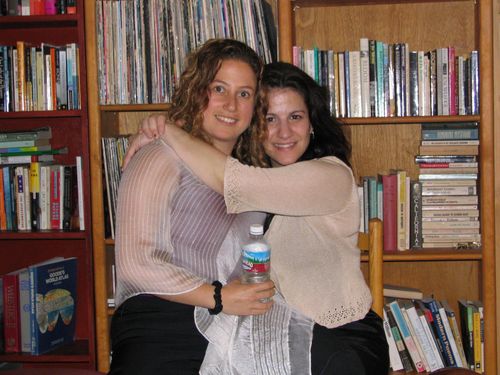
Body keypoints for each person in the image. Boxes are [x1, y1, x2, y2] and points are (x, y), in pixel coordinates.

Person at [125, 61, 390, 374]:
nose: (284, 132)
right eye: (270, 119)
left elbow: (229, 179)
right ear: (256, 126)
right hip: (274, 335)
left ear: (312, 123)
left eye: (295, 117)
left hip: (339, 335)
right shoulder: (257, 181)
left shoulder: (330, 175)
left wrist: (165, 131)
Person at [108, 39, 276, 375]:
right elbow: (134, 265)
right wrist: (218, 297)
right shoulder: (159, 155)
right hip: (160, 322)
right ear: (197, 91)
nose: (231, 105)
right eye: (219, 88)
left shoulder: (253, 178)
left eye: (244, 94)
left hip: (227, 328)